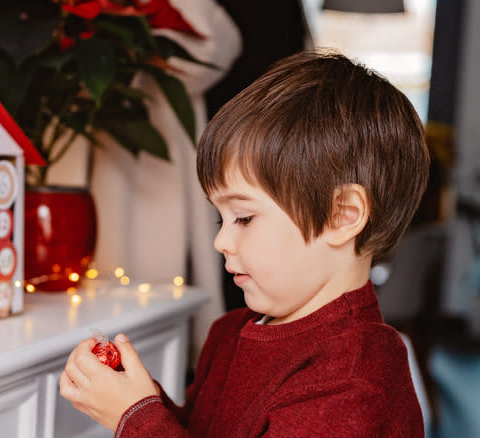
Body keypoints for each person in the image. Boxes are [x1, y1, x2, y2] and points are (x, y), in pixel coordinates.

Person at [59, 51, 429, 437]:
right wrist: (142, 401)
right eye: (222, 219)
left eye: (244, 218)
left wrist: (135, 417)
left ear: (342, 216)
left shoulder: (354, 375)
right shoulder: (231, 332)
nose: (221, 241)